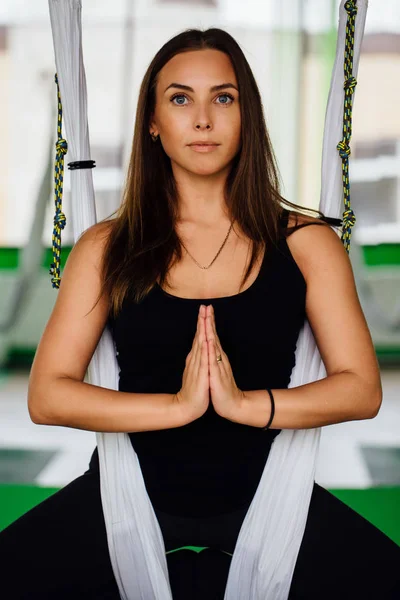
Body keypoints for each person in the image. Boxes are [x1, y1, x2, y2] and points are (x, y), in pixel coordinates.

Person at [1, 27, 399, 600]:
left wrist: (244, 406)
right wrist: (179, 407)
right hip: (128, 492)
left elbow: (361, 389)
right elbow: (47, 396)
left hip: (272, 495)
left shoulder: (307, 243)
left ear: (247, 117)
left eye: (224, 97)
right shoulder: (105, 247)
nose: (204, 118)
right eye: (181, 98)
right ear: (153, 123)